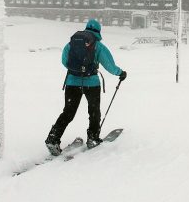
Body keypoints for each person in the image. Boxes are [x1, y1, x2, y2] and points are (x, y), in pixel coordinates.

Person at [45, 19, 127, 155]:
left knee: (68, 113)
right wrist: (121, 73)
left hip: (72, 83)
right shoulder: (98, 46)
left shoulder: (71, 43)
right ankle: (93, 138)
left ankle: (52, 139)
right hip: (92, 84)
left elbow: (64, 60)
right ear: (98, 31)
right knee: (94, 112)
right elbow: (110, 66)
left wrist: (76, 71)